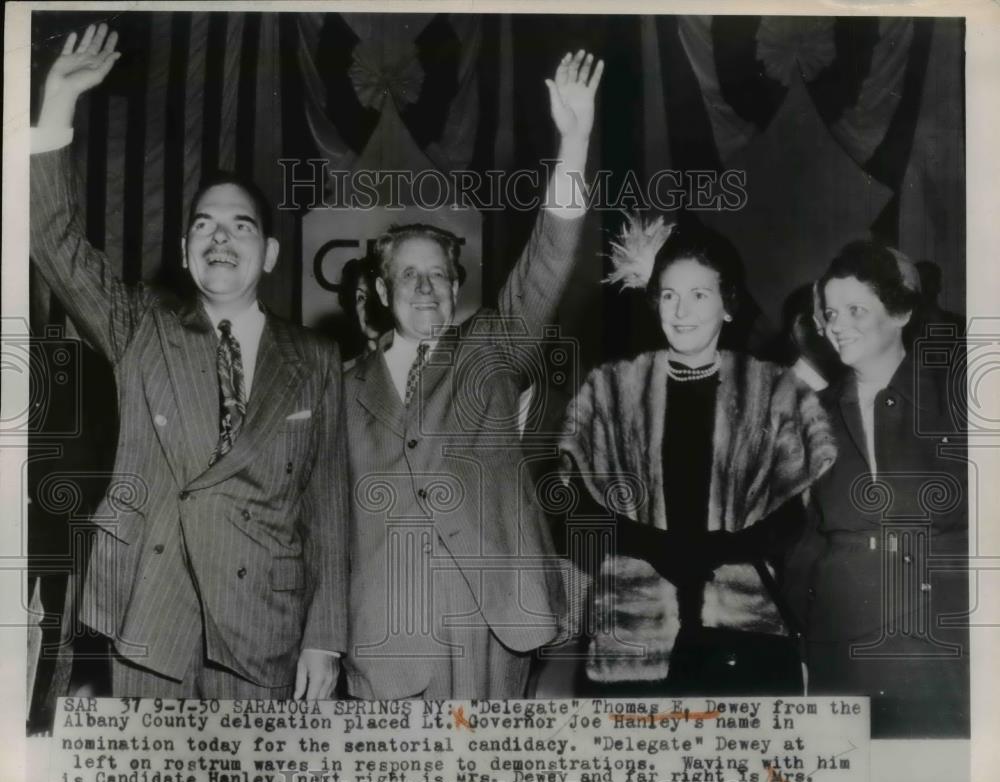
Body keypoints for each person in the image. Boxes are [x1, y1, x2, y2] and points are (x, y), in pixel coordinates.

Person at [29, 25, 348, 699]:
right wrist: (58, 102)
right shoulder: (141, 326)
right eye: (204, 224)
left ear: (268, 256)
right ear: (183, 251)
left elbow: (329, 509)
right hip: (150, 613)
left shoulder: (315, 358)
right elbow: (55, 241)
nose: (220, 238)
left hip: (268, 627)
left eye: (241, 226)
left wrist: (326, 635)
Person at [344, 50, 603, 700]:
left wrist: (573, 143)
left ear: (458, 287)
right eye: (409, 274)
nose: (426, 287)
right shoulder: (339, 385)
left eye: (440, 275)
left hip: (491, 626)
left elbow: (547, 261)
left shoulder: (490, 345)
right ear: (381, 288)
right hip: (386, 637)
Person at [558, 214, 837, 695]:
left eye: (699, 295)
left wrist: (719, 549)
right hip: (636, 636)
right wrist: (658, 546)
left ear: (728, 305)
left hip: (743, 637)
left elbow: (794, 518)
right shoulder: (608, 394)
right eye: (669, 295)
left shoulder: (773, 395)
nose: (681, 311)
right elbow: (574, 510)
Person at [785, 241, 969, 737]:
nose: (837, 324)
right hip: (843, 656)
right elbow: (805, 542)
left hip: (945, 653)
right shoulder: (809, 417)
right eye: (829, 313)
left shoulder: (960, 398)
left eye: (855, 310)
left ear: (901, 311)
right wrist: (806, 645)